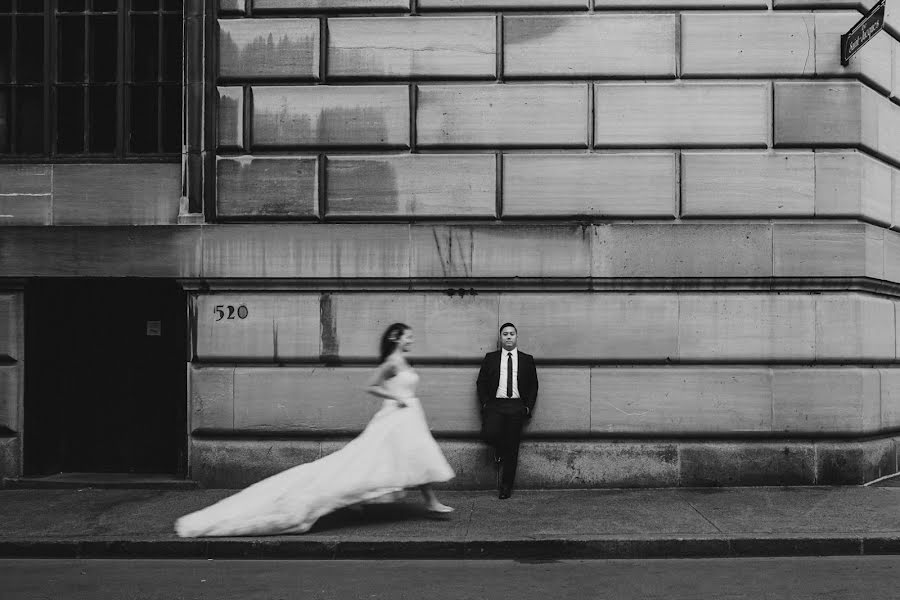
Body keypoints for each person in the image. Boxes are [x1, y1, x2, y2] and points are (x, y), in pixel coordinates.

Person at [175, 323, 454, 537]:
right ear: (396, 337)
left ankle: (423, 501)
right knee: (375, 461)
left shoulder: (403, 362)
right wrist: (397, 398)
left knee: (410, 460)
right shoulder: (392, 362)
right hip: (396, 418)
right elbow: (370, 386)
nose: (411, 339)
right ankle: (373, 497)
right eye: (408, 335)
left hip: (407, 419)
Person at [476, 322, 538, 499]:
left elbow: (534, 386)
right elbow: (481, 383)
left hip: (516, 405)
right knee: (489, 434)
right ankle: (499, 450)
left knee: (513, 448)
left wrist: (527, 407)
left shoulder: (527, 359)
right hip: (495, 405)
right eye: (505, 334)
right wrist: (486, 404)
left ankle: (506, 487)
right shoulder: (490, 358)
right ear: (501, 338)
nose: (509, 336)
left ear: (516, 337)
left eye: (512, 334)